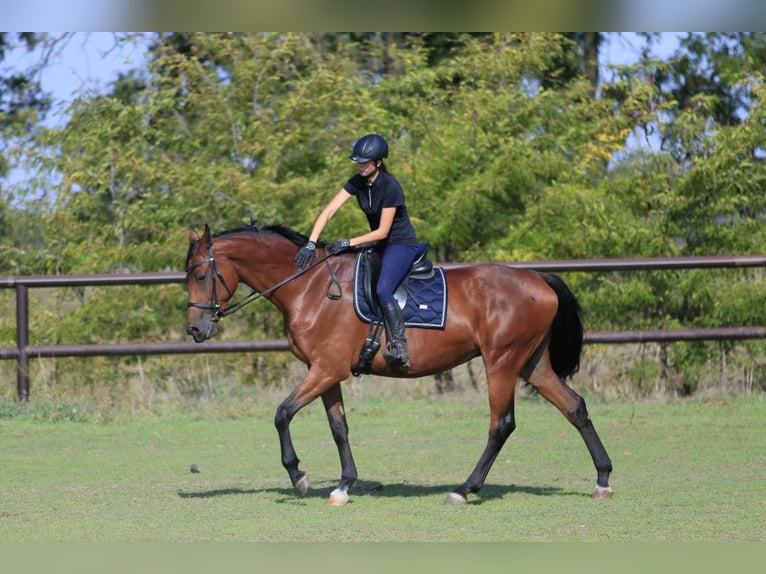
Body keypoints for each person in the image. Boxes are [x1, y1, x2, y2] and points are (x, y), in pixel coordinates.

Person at [295, 133, 419, 370]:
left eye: (365, 162)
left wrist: (348, 242)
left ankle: (399, 345)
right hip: (379, 245)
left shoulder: (391, 187)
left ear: (378, 163)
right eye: (358, 162)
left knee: (383, 289)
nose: (360, 166)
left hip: (400, 245)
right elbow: (329, 211)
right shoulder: (358, 181)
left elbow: (383, 231)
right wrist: (311, 242)